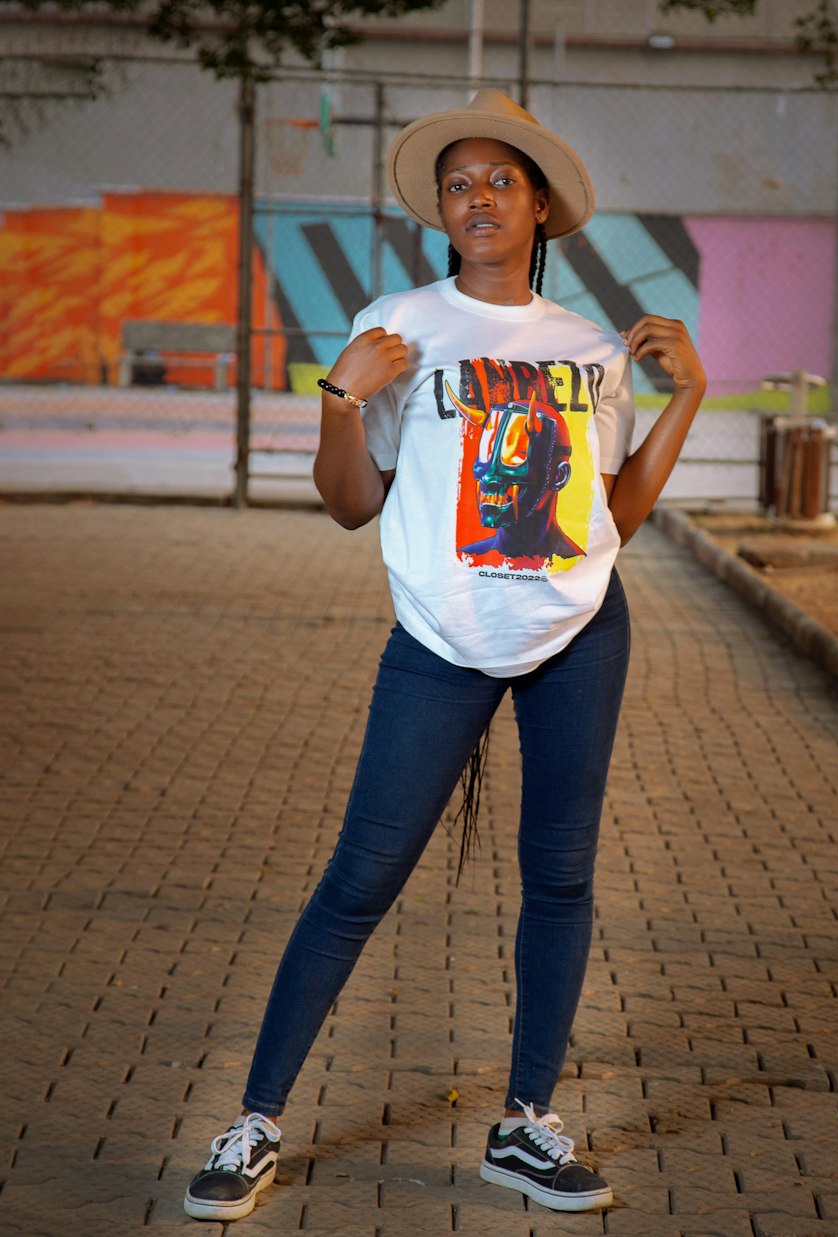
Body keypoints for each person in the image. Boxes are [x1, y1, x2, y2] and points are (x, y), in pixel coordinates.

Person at [183, 88, 705, 1222]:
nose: (475, 196)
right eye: (458, 183)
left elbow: (612, 508)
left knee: (559, 876)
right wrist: (335, 397)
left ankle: (524, 1126)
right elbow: (345, 506)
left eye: (499, 181)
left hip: (578, 632)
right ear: (441, 209)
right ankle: (254, 1122)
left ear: (542, 209)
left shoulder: (585, 350)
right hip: (438, 640)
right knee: (359, 879)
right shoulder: (398, 323)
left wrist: (688, 398)